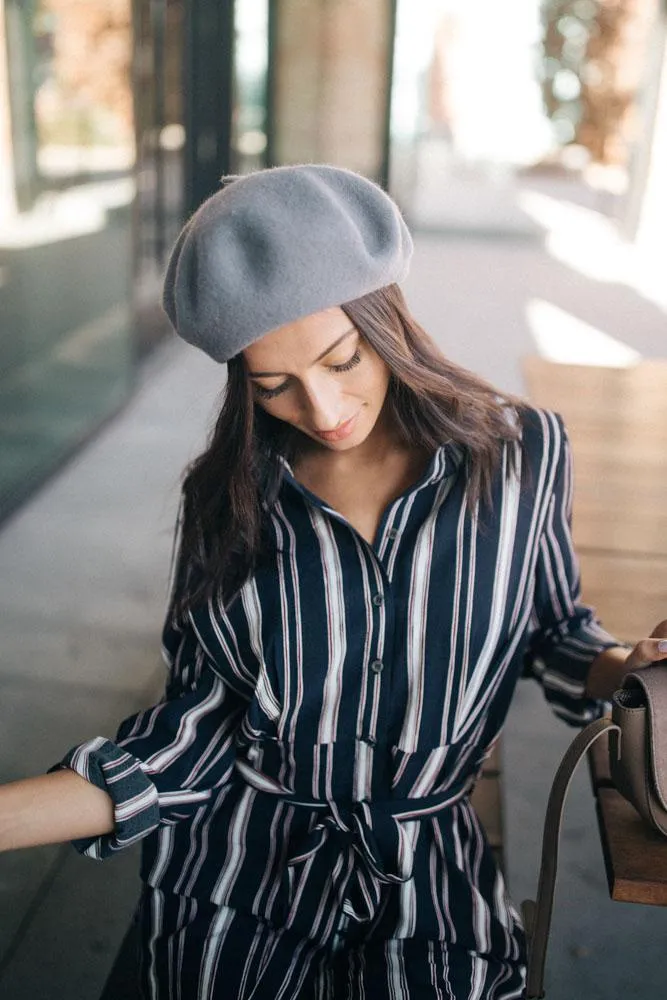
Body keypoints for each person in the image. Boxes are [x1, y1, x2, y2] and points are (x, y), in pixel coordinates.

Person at [1, 164, 665, 1000]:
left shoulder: (521, 454)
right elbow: (194, 731)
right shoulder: (226, 500)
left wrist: (626, 669)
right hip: (241, 870)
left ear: (386, 322)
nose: (321, 409)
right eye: (271, 385)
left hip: (428, 870)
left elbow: (552, 630)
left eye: (341, 359)